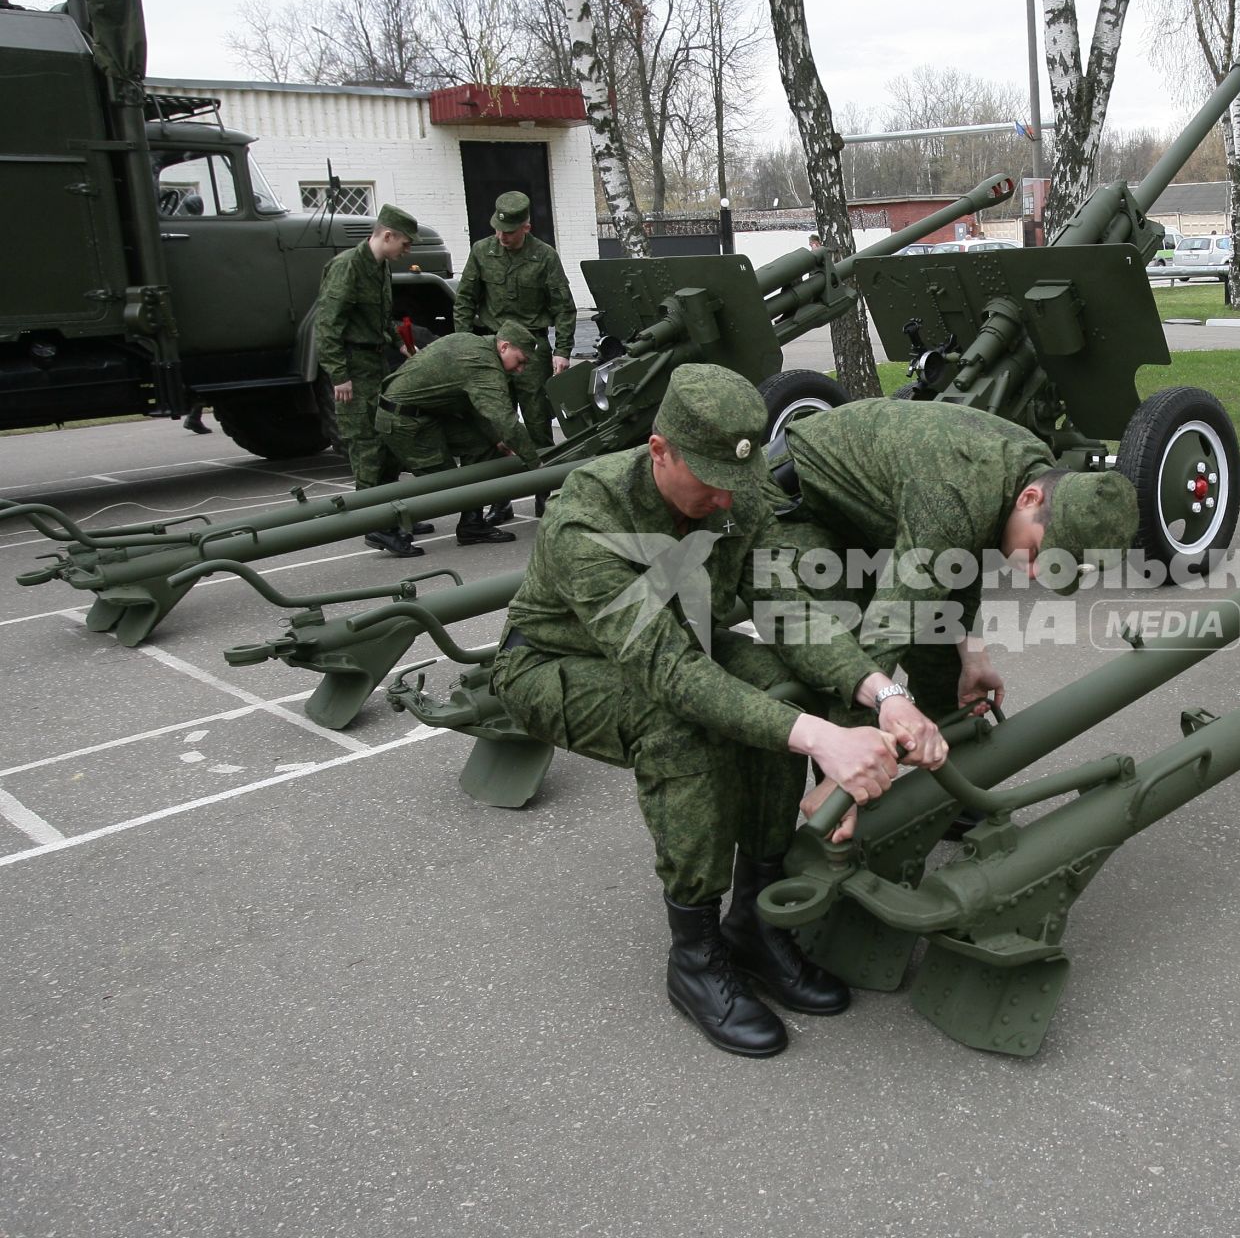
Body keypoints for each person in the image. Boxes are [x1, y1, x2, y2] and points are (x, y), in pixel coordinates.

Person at [490, 364, 949, 1058]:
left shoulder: (737, 490)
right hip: (558, 661)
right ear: (658, 451)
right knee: (685, 731)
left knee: (777, 688)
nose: (722, 496)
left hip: (683, 640)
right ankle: (696, 957)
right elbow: (670, 675)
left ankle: (757, 925)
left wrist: (881, 693)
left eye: (732, 480)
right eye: (704, 477)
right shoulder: (591, 515)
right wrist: (822, 740)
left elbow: (789, 611)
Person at [775, 397, 1139, 725]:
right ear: (1030, 499)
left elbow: (961, 553)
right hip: (796, 498)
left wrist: (973, 654)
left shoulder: (1030, 469)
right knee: (846, 663)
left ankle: (949, 791)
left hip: (871, 514)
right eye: (1036, 554)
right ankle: (845, 791)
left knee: (945, 669)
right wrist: (858, 737)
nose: (1031, 573)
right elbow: (888, 630)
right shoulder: (957, 494)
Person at [453, 190, 576, 526]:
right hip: (492, 348)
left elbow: (563, 307)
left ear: (526, 227)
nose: (501, 236)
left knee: (537, 424)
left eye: (508, 231)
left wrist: (563, 350)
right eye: (497, 229)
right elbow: (464, 300)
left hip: (533, 351)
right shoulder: (482, 252)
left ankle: (545, 496)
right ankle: (499, 501)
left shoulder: (545, 257)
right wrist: (464, 343)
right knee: (494, 425)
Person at [374, 320, 540, 547]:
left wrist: (496, 439)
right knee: (448, 483)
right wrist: (536, 465)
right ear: (504, 347)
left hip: (423, 414)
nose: (520, 369)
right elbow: (506, 420)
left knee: (481, 447)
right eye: (520, 361)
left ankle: (472, 525)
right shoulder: (483, 364)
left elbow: (475, 407)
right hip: (404, 420)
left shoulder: (476, 344)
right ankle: (381, 527)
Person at [315, 203, 420, 557]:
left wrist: (400, 345)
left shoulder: (379, 269)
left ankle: (389, 511)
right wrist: (339, 375)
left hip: (375, 363)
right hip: (353, 367)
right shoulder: (348, 267)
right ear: (386, 235)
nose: (406, 252)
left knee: (387, 437)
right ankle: (374, 527)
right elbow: (327, 324)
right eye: (404, 244)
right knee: (365, 445)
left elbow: (380, 319)